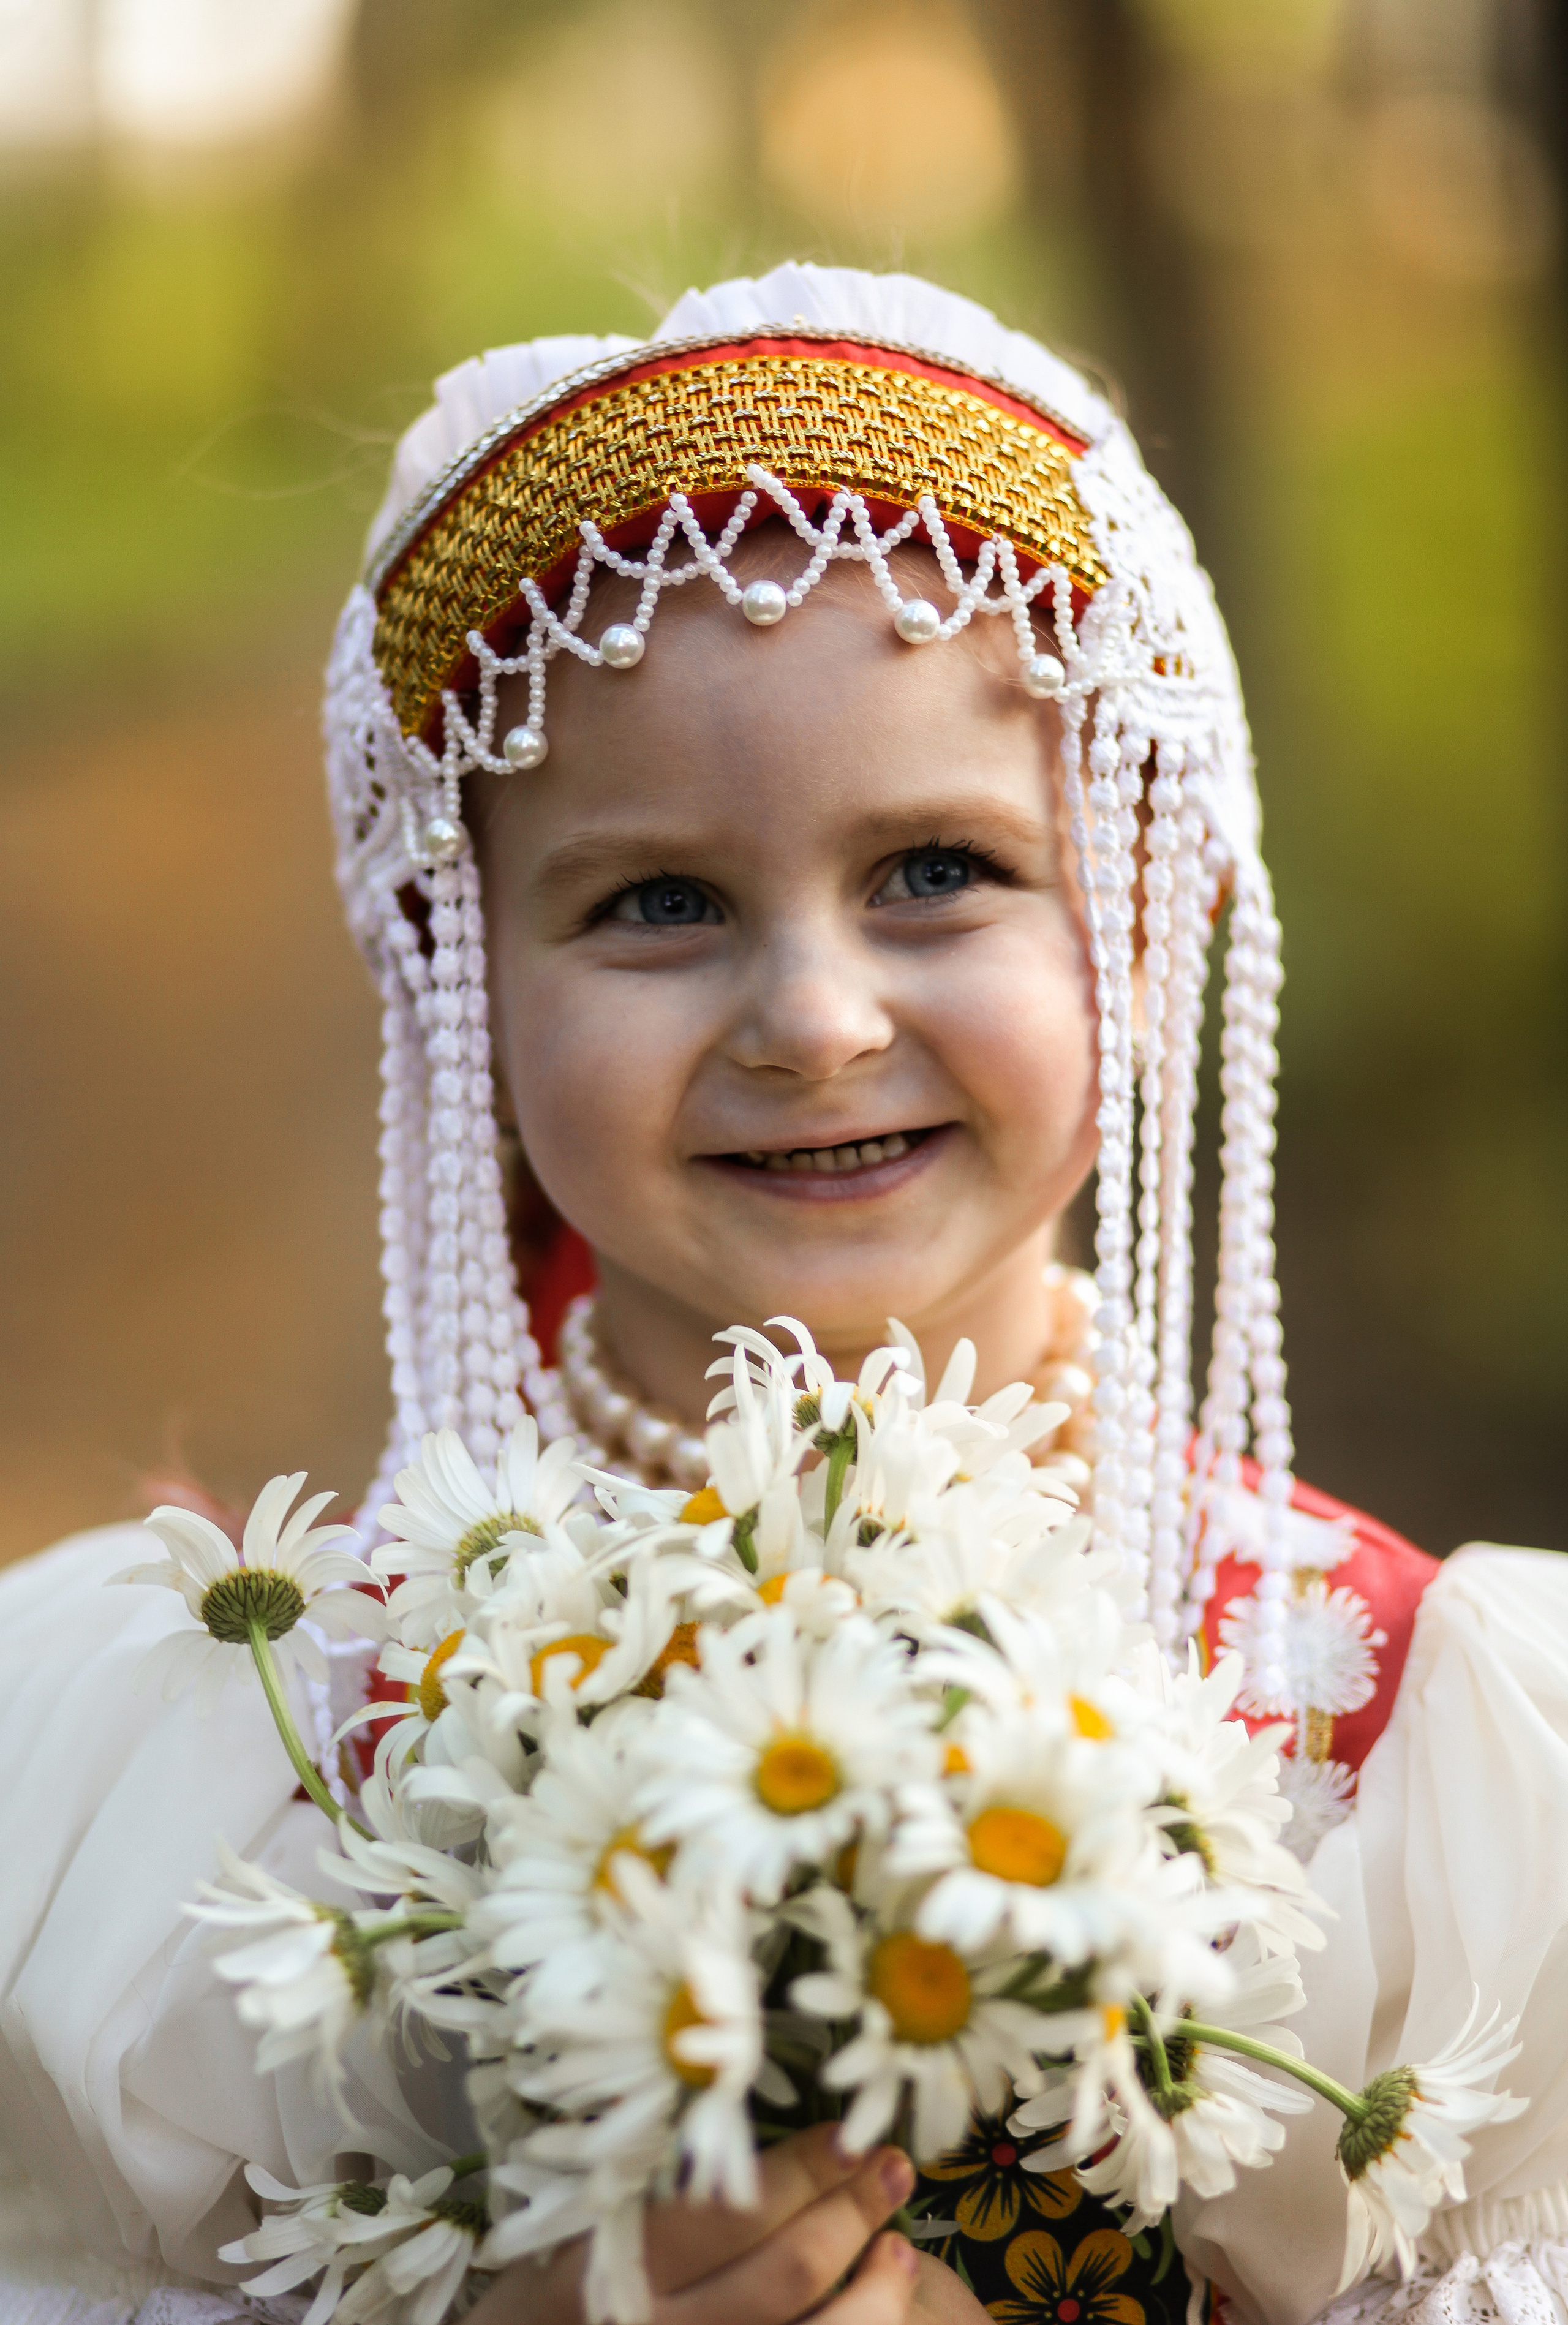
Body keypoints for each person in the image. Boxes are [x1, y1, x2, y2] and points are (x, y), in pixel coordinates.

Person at [1, 263, 1564, 2325]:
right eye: (658, 901)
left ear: (1154, 901)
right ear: (459, 974)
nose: (815, 1020)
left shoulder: (1422, 1770)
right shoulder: (238, 1778)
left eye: (938, 868)